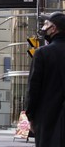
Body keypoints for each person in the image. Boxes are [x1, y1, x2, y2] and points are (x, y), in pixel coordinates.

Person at [25, 11, 65, 147]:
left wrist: (30, 116)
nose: (43, 28)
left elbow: (33, 88)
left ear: (53, 29)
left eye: (46, 24)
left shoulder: (43, 53)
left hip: (47, 119)